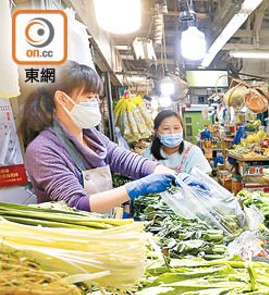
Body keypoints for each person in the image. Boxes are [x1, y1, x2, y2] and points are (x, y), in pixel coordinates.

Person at [20, 61, 198, 213]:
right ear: (63, 99)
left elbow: (129, 161)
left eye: (96, 97)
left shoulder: (91, 135)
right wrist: (137, 187)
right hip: (70, 241)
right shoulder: (42, 150)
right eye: (89, 97)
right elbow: (76, 204)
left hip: (101, 228)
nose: (95, 103)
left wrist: (176, 176)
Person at [143, 110, 212, 175]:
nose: (172, 133)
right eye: (166, 128)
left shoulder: (193, 152)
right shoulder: (149, 153)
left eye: (176, 128)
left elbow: (203, 180)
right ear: (156, 131)